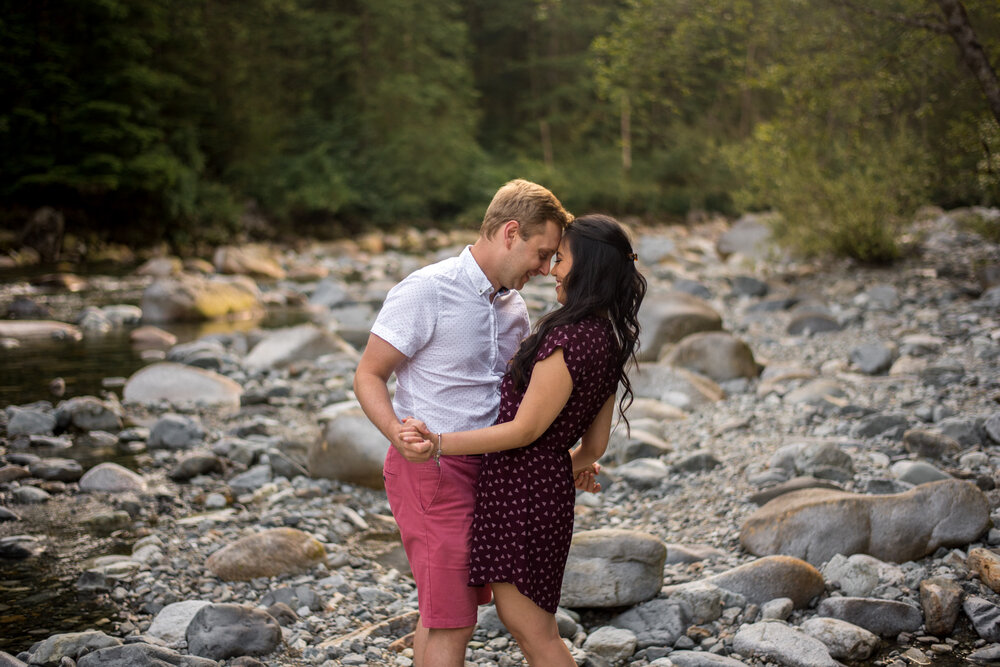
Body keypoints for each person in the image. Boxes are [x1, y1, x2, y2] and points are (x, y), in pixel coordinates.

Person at [399, 214, 647, 666]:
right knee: (535, 629)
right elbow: (593, 449)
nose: (552, 269)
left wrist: (437, 443)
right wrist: (564, 467)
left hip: (521, 497)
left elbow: (525, 430)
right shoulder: (608, 339)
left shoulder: (567, 337)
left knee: (534, 633)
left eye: (562, 259)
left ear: (587, 268)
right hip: (541, 492)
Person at [353, 179, 573, 667]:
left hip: (493, 473)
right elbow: (368, 374)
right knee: (453, 621)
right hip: (431, 472)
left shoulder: (514, 307)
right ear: (510, 232)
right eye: (541, 254)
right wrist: (396, 433)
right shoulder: (427, 290)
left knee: (439, 614)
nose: (544, 269)